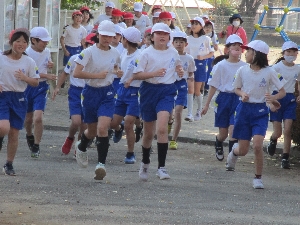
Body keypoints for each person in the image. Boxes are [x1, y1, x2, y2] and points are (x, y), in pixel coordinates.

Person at [226, 40, 286, 189]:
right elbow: (236, 88)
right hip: (244, 111)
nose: (245, 54)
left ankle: (258, 178)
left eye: (248, 51)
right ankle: (234, 152)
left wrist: (273, 98)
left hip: (260, 112)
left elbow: (282, 91)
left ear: (257, 54)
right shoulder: (242, 70)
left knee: (258, 145)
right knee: (243, 150)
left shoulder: (270, 71)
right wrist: (242, 94)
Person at [132, 23, 183, 181]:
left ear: (169, 37)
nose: (162, 36)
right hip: (149, 91)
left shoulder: (173, 52)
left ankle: (162, 167)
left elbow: (178, 68)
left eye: (165, 34)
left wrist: (180, 71)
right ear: (152, 37)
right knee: (148, 133)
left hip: (167, 91)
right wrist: (153, 73)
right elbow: (136, 75)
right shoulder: (145, 53)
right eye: (158, 34)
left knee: (162, 128)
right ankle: (145, 162)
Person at [73, 20, 121, 180]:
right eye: (104, 36)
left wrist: (117, 72)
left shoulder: (115, 53)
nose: (107, 39)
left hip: (107, 93)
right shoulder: (88, 52)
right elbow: (76, 73)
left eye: (110, 36)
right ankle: (81, 146)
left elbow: (115, 68)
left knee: (103, 128)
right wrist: (96, 75)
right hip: (90, 92)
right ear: (98, 35)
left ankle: (101, 165)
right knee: (92, 131)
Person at [201, 34, 247, 161]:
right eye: (234, 46)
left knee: (233, 130)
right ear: (227, 49)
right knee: (223, 133)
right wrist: (206, 105)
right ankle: (218, 142)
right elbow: (213, 86)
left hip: (238, 99)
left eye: (239, 46)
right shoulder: (220, 66)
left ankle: (231, 159)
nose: (237, 48)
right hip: (223, 99)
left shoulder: (245, 67)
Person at [0, 28, 39, 175]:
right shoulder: (2, 58)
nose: (21, 44)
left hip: (19, 98)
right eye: (18, 41)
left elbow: (35, 82)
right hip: (3, 96)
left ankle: (9, 164)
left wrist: (25, 78)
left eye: (24, 42)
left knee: (14, 133)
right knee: (3, 127)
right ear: (11, 42)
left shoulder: (29, 61)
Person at [52, 33, 97, 156]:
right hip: (75, 91)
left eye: (93, 45)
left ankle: (79, 148)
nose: (90, 48)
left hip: (89, 91)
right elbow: (65, 73)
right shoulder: (75, 58)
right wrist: (57, 87)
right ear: (84, 44)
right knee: (76, 121)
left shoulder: (96, 62)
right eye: (88, 45)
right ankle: (70, 138)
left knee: (84, 124)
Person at [110, 27, 142, 164]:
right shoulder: (123, 53)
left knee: (129, 123)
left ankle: (130, 153)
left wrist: (131, 79)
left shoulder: (140, 55)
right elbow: (117, 67)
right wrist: (117, 72)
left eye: (122, 38)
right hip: (122, 90)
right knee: (113, 123)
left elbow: (141, 72)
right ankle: (118, 128)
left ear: (126, 40)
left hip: (135, 92)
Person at [267, 41, 300, 169]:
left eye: (294, 52)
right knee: (278, 132)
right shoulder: (276, 68)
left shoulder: (297, 68)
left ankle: (285, 157)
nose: (291, 55)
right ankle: (273, 139)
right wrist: (270, 100)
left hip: (290, 99)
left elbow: (298, 82)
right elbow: (268, 84)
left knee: (287, 130)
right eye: (289, 52)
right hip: (277, 98)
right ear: (283, 53)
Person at [24, 27, 56, 159]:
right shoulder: (26, 53)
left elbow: (46, 64)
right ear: (34, 40)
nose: (45, 44)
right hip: (27, 86)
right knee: (28, 118)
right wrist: (46, 75)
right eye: (43, 41)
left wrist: (50, 65)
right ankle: (29, 135)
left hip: (41, 87)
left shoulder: (47, 51)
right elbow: (26, 73)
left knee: (38, 117)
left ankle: (36, 145)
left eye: (47, 41)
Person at [169, 31, 195, 150]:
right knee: (169, 111)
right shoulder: (170, 55)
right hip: (170, 84)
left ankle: (174, 140)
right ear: (173, 43)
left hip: (182, 85)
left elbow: (190, 73)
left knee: (178, 111)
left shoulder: (189, 58)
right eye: (176, 42)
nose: (179, 44)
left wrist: (190, 84)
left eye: (181, 42)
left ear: (186, 43)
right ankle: (169, 122)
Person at [185, 17, 214, 122]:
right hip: (190, 64)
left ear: (201, 26)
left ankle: (199, 110)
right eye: (192, 23)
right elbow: (185, 51)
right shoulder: (187, 39)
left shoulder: (206, 39)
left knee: (197, 90)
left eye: (196, 24)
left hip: (201, 64)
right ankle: (189, 113)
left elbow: (211, 52)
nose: (193, 26)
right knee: (190, 89)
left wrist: (203, 57)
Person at [204, 20, 219, 95]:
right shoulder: (200, 35)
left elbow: (216, 48)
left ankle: (206, 87)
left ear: (212, 29)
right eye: (206, 27)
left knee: (208, 72)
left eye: (209, 27)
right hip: (203, 56)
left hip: (210, 57)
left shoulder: (214, 36)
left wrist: (212, 43)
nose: (207, 29)